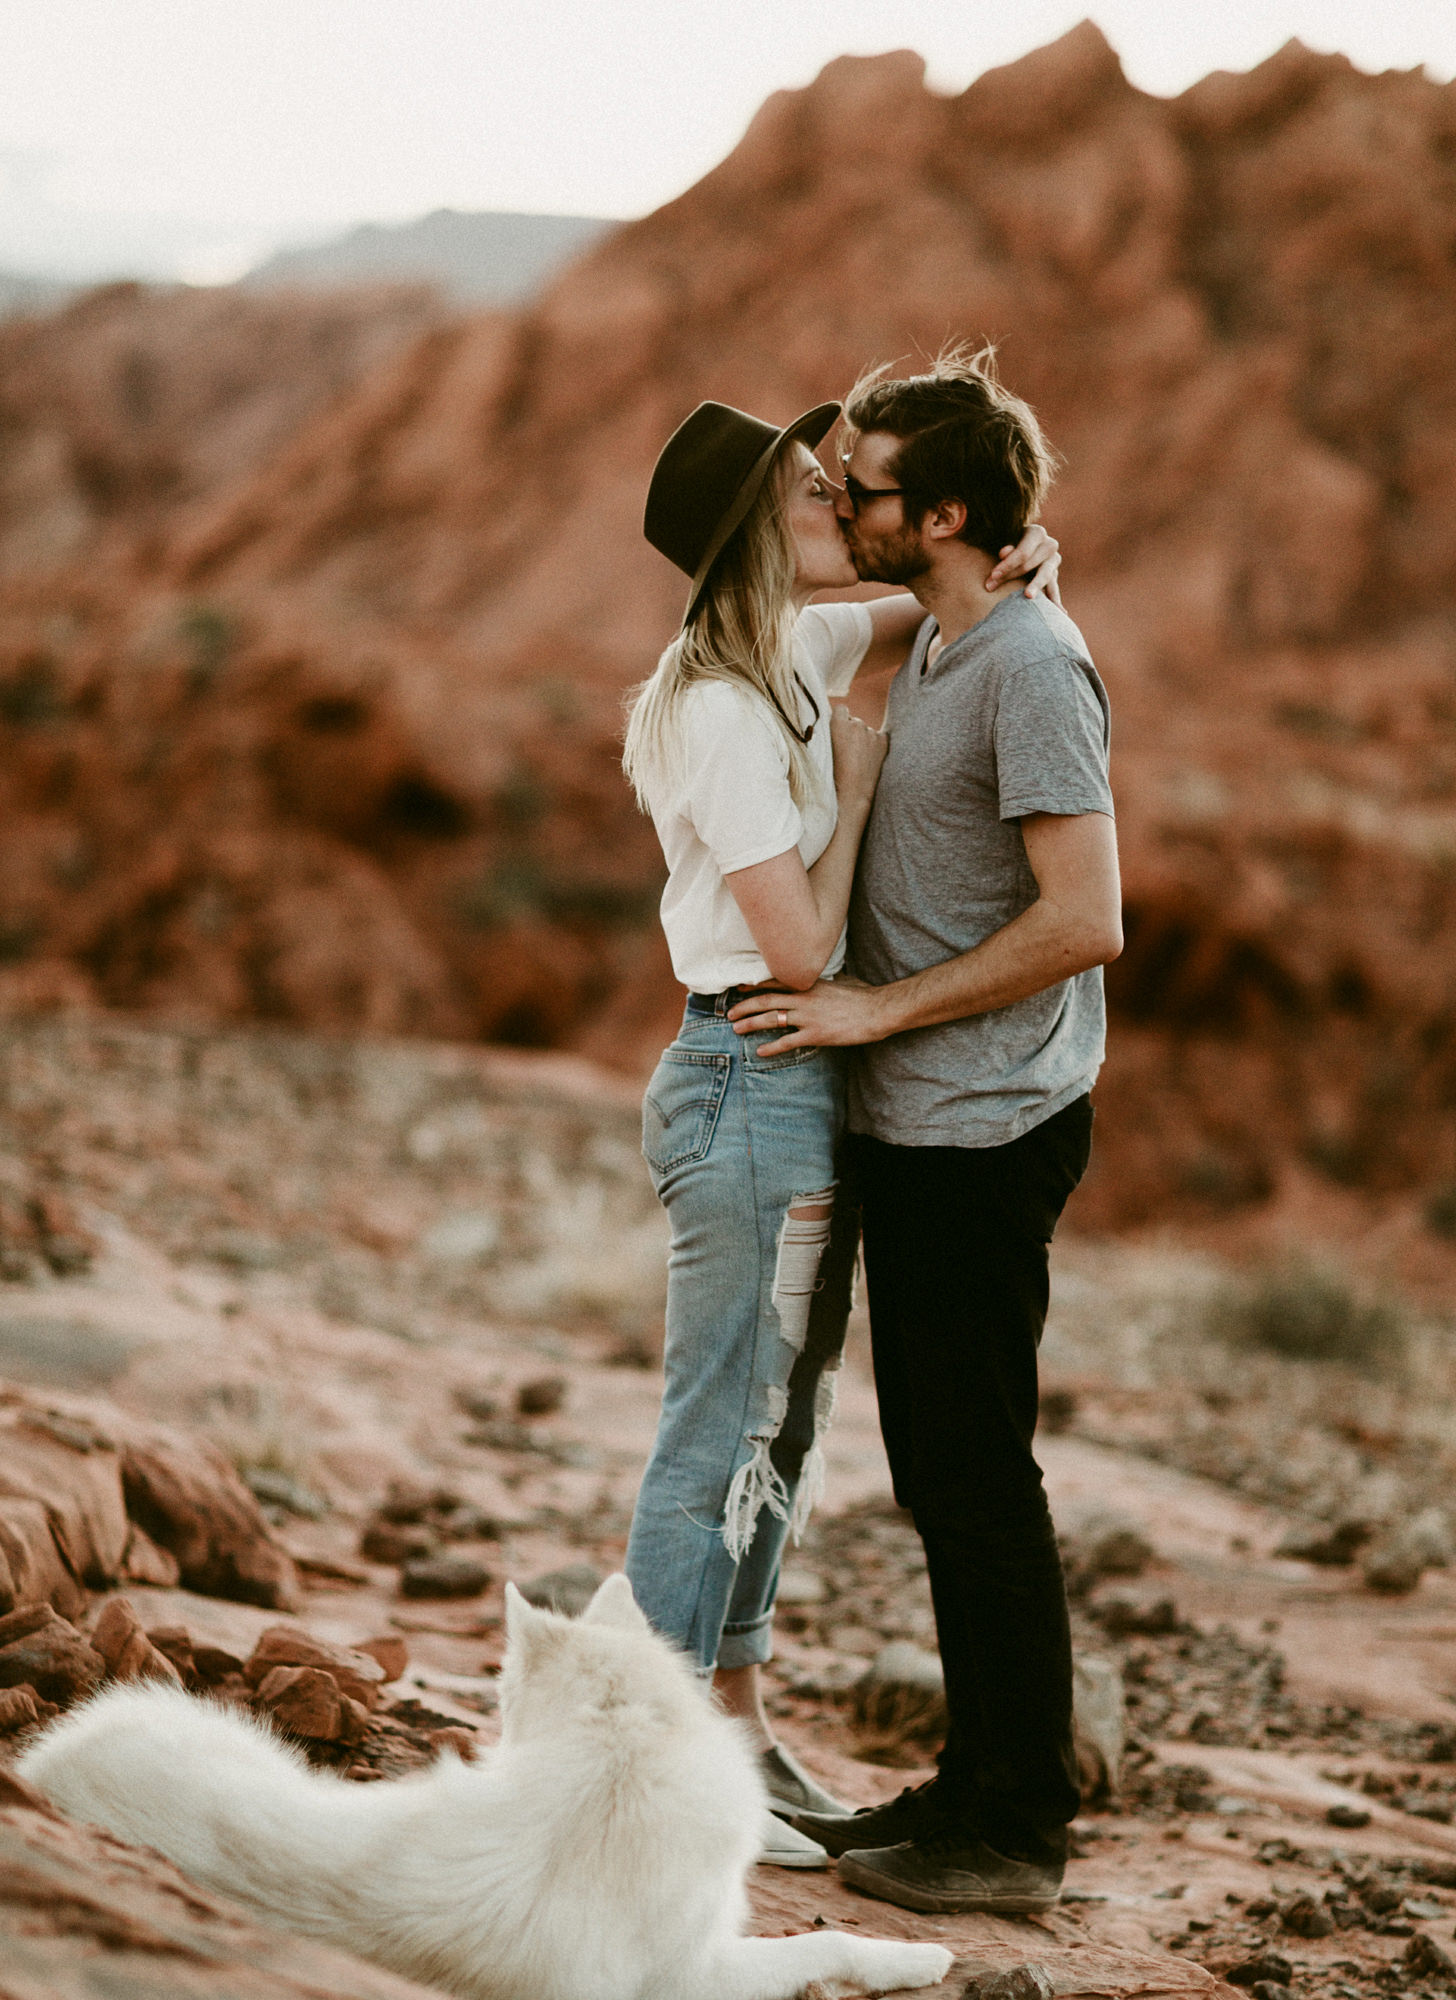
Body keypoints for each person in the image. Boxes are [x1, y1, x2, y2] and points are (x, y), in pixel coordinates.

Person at [623, 395, 1059, 1868]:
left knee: (782, 1426)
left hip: (800, 1089)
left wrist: (1012, 556)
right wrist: (863, 793)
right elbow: (804, 955)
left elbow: (909, 605)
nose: (839, 501)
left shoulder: (790, 650)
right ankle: (648, 1768)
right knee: (717, 1429)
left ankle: (734, 1732)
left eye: (842, 482)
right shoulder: (718, 705)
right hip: (752, 1068)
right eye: (814, 489)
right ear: (759, 529)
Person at [730, 348, 1122, 1915]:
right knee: (946, 1472)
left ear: (945, 510)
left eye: (869, 486)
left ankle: (1016, 1829)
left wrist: (879, 1015)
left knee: (976, 1479)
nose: (843, 500)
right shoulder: (956, 629)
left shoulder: (1026, 661)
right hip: (925, 1122)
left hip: (982, 1124)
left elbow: (1089, 916)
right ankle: (978, 1784)